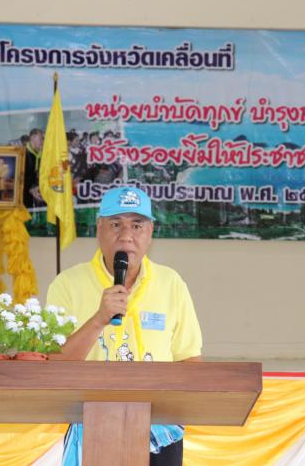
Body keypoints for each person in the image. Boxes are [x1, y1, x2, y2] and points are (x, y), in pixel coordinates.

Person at [46, 186, 202, 466]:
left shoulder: (171, 283)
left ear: (150, 232)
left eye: (137, 225)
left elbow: (189, 361)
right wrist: (98, 320)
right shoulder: (67, 284)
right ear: (99, 229)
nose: (126, 235)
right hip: (91, 426)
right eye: (116, 224)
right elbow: (52, 365)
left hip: (161, 430)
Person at [22, 128, 45, 209]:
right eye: (41, 138)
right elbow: (20, 178)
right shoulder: (23, 154)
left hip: (37, 194)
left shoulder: (41, 155)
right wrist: (31, 189)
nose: (43, 141)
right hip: (24, 197)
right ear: (33, 138)